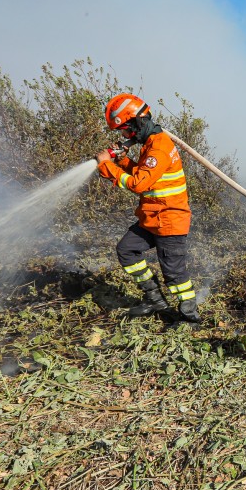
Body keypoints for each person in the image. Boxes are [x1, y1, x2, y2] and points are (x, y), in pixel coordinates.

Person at [96, 93, 201, 324]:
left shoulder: (159, 148)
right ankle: (154, 299)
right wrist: (122, 160)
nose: (124, 136)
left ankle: (190, 318)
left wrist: (106, 166)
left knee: (174, 274)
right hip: (153, 218)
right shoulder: (152, 144)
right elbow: (145, 174)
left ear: (137, 122)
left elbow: (139, 184)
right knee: (126, 250)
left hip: (169, 221)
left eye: (125, 130)